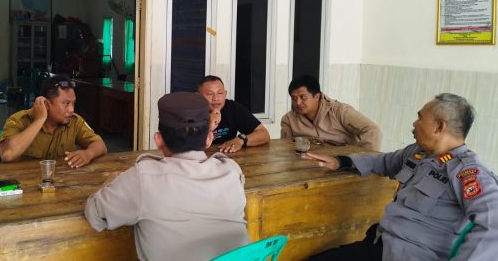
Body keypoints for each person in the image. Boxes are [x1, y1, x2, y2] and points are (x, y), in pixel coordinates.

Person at [304, 93, 498, 260]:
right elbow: (383, 161)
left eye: (420, 117)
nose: (414, 123)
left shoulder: (467, 173)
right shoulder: (417, 153)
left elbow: (493, 225)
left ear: (439, 126)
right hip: (381, 245)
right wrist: (341, 161)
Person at [85, 92, 249, 261]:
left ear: (158, 140)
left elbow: (95, 214)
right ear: (209, 139)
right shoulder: (231, 170)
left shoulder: (143, 178)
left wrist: (110, 181)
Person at [0, 74, 107, 167]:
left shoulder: (74, 121)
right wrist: (39, 120)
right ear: (46, 104)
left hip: (60, 181)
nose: (71, 109)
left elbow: (100, 145)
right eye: (66, 103)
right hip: (23, 182)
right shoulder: (19, 119)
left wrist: (88, 154)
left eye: (73, 103)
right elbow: (7, 154)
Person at [281, 74, 381, 150]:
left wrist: (363, 161)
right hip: (308, 167)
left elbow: (371, 130)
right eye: (294, 98)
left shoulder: (340, 111)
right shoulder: (289, 120)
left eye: (303, 97)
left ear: (317, 96)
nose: (298, 103)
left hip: (343, 165)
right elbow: (285, 148)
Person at [198, 75, 270, 153]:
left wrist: (241, 139)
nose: (215, 98)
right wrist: (209, 126)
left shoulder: (233, 108)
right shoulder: (191, 111)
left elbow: (264, 134)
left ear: (225, 94)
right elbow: (188, 145)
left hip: (227, 155)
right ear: (198, 96)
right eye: (209, 94)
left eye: (220, 93)